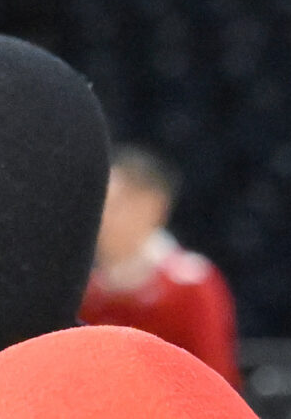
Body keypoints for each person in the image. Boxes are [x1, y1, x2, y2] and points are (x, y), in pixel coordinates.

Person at [79, 146, 240, 390]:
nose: (101, 218)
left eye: (113, 205)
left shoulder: (190, 286)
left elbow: (216, 384)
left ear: (152, 206)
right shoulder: (87, 290)